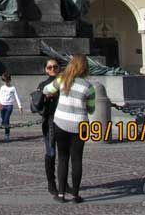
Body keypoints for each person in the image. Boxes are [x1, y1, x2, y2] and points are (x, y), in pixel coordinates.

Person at [43, 53, 95, 203]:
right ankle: (75, 195)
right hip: (80, 126)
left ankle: (60, 195)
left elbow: (47, 90)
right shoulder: (88, 87)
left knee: (63, 159)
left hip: (61, 124)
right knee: (77, 159)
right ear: (85, 68)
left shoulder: (62, 80)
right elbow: (91, 109)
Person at [37, 59, 60, 195]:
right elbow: (38, 106)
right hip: (50, 121)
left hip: (65, 121)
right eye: (50, 67)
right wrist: (46, 98)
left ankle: (63, 182)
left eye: (55, 67)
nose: (52, 69)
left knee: (64, 154)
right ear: (46, 69)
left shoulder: (65, 83)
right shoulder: (42, 85)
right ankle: (51, 182)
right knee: (51, 152)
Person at [0, 72, 23, 141]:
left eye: (7, 81)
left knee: (6, 120)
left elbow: (17, 97)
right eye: (4, 81)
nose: (6, 82)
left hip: (9, 106)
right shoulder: (2, 88)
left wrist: (20, 106)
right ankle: (1, 119)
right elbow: (0, 96)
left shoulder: (13, 88)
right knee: (3, 120)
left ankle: (7, 135)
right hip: (2, 105)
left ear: (9, 80)